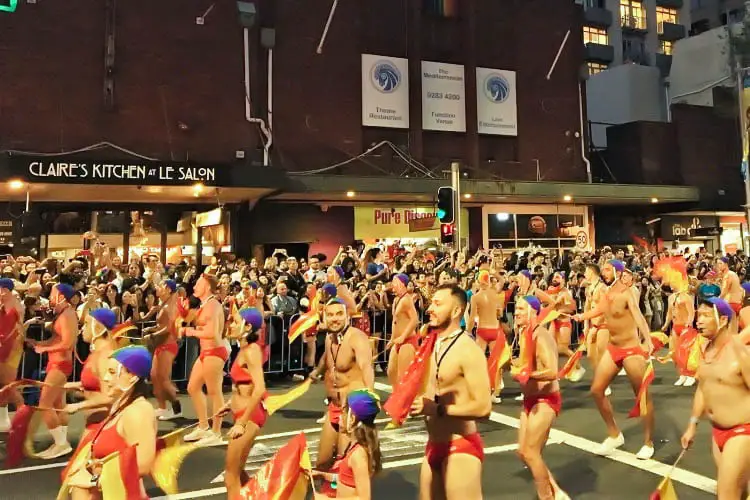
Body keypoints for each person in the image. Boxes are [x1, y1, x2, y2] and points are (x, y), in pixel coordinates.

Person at [410, 284, 491, 500]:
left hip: (460, 445)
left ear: (455, 311)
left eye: (437, 304)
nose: (429, 309)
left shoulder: (468, 349)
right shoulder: (432, 343)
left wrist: (437, 409)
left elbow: (484, 408)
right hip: (433, 443)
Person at [573, 260, 655, 459]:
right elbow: (599, 310)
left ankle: (648, 442)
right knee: (596, 390)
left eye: (608, 269)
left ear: (618, 272)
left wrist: (648, 339)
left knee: (642, 396)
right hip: (614, 348)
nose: (604, 272)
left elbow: (638, 316)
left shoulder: (627, 293)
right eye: (603, 269)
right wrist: (580, 317)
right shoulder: (607, 292)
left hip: (631, 349)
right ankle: (614, 434)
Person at [680, 297, 750, 500]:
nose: (698, 320)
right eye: (698, 315)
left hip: (742, 433)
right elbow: (703, 387)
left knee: (726, 494)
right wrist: (692, 424)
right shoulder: (706, 351)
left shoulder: (741, 354)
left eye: (706, 315)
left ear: (723, 320)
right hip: (717, 434)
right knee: (740, 491)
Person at [65, 346, 156, 500]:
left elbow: (142, 464)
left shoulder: (137, 412)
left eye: (113, 372)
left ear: (133, 377)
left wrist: (93, 478)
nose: (106, 378)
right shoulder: (120, 408)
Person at [513, 296, 569, 500]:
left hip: (545, 400)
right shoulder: (524, 334)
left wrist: (528, 375)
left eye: (520, 308)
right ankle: (556, 491)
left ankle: (547, 497)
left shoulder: (541, 336)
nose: (516, 312)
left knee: (531, 452)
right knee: (523, 451)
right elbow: (523, 366)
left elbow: (553, 371)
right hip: (530, 400)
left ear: (533, 311)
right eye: (516, 308)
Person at [312, 297, 374, 469]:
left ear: (347, 316)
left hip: (351, 410)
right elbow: (328, 357)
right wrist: (317, 371)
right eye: (330, 315)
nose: (335, 318)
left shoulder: (356, 338)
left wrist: (368, 398)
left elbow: (366, 366)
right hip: (334, 406)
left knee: (344, 465)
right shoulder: (329, 338)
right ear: (325, 318)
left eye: (339, 314)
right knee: (322, 463)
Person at [222, 308, 268, 500]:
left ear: (247, 326)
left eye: (235, 321)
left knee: (230, 475)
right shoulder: (243, 349)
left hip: (248, 417)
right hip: (242, 414)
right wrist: (229, 404)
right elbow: (243, 385)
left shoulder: (252, 351)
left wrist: (242, 422)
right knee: (238, 472)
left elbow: (259, 388)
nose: (230, 324)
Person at [28, 283, 79, 459]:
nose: (50, 297)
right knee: (58, 405)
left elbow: (67, 343)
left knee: (44, 405)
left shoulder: (68, 315)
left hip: (60, 365)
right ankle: (61, 442)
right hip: (56, 363)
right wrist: (42, 344)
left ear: (62, 296)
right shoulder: (63, 314)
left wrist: (45, 350)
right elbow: (57, 338)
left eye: (53, 294)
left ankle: (61, 444)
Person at [180, 273, 227, 445]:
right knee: (193, 387)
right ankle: (203, 426)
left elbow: (212, 334)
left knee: (215, 392)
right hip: (206, 353)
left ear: (207, 287)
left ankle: (216, 433)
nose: (194, 287)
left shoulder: (213, 305)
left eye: (198, 284)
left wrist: (190, 332)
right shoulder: (204, 305)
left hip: (214, 352)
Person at [313, 389, 382, 500]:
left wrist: (326, 499)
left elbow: (364, 497)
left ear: (352, 418)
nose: (339, 417)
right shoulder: (353, 447)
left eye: (343, 413)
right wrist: (325, 476)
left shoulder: (358, 455)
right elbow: (347, 480)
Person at [536, 272, 583, 383]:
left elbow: (571, 309)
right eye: (553, 277)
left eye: (557, 277)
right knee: (551, 348)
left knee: (563, 349)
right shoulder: (550, 291)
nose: (554, 279)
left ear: (563, 280)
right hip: (553, 322)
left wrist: (559, 310)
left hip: (564, 322)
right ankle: (552, 372)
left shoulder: (565, 292)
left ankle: (578, 367)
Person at [466, 270, 505, 403]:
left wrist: (468, 331)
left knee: (478, 362)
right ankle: (495, 392)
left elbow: (471, 318)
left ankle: (478, 390)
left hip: (482, 330)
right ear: (488, 280)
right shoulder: (495, 293)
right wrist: (495, 273)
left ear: (478, 281)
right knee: (496, 361)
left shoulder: (475, 297)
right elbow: (503, 281)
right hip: (494, 329)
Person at [148, 279, 182, 420]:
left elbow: (168, 328)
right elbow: (162, 325)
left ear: (168, 289)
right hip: (161, 345)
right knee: (155, 377)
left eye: (161, 285)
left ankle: (176, 409)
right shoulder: (164, 304)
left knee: (163, 379)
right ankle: (162, 407)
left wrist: (152, 334)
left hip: (168, 345)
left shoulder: (170, 306)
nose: (158, 288)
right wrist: (152, 329)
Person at [661, 268, 697, 387]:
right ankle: (681, 374)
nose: (671, 283)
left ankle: (690, 375)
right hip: (675, 327)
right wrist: (666, 325)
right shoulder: (671, 297)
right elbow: (669, 313)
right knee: (674, 352)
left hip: (685, 327)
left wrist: (688, 324)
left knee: (686, 353)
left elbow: (691, 313)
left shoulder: (686, 297)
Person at [0, 278, 24, 432]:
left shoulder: (14, 304)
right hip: (4, 347)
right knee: (4, 386)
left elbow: (18, 328)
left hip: (10, 349)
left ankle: (23, 421)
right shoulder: (5, 303)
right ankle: (4, 421)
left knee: (9, 386)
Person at [387, 274, 419, 389]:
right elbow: (395, 321)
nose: (393, 285)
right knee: (391, 372)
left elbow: (415, 320)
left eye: (395, 282)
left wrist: (403, 336)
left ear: (402, 284)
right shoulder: (397, 300)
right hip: (398, 341)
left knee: (403, 376)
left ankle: (405, 402)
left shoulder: (407, 299)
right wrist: (392, 339)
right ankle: (396, 398)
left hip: (407, 340)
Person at [583, 265, 611, 395]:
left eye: (586, 271)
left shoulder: (603, 288)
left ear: (592, 272)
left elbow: (604, 309)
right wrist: (586, 325)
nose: (585, 274)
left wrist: (596, 326)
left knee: (601, 354)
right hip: (593, 324)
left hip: (603, 325)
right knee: (590, 354)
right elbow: (587, 307)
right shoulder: (589, 288)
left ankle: (605, 383)